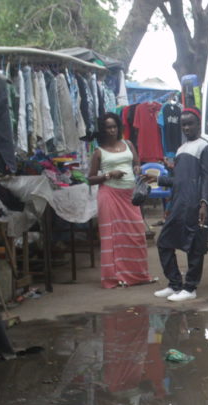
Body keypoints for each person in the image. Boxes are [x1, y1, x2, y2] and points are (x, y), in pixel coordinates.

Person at [146, 107, 208, 302]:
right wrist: (156, 178)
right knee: (164, 242)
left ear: (198, 124)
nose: (186, 127)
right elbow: (178, 180)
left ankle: (190, 288)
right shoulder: (180, 149)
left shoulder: (205, 147)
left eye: (189, 123)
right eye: (183, 124)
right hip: (177, 204)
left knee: (194, 247)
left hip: (194, 203)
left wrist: (204, 203)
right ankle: (175, 284)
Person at [87, 112, 151, 289]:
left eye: (114, 126)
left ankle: (138, 275)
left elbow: (136, 163)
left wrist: (138, 171)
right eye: (108, 127)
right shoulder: (99, 152)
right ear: (103, 129)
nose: (112, 130)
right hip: (110, 195)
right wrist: (109, 174)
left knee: (136, 234)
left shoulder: (128, 144)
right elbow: (90, 178)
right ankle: (115, 277)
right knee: (113, 237)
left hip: (130, 196)